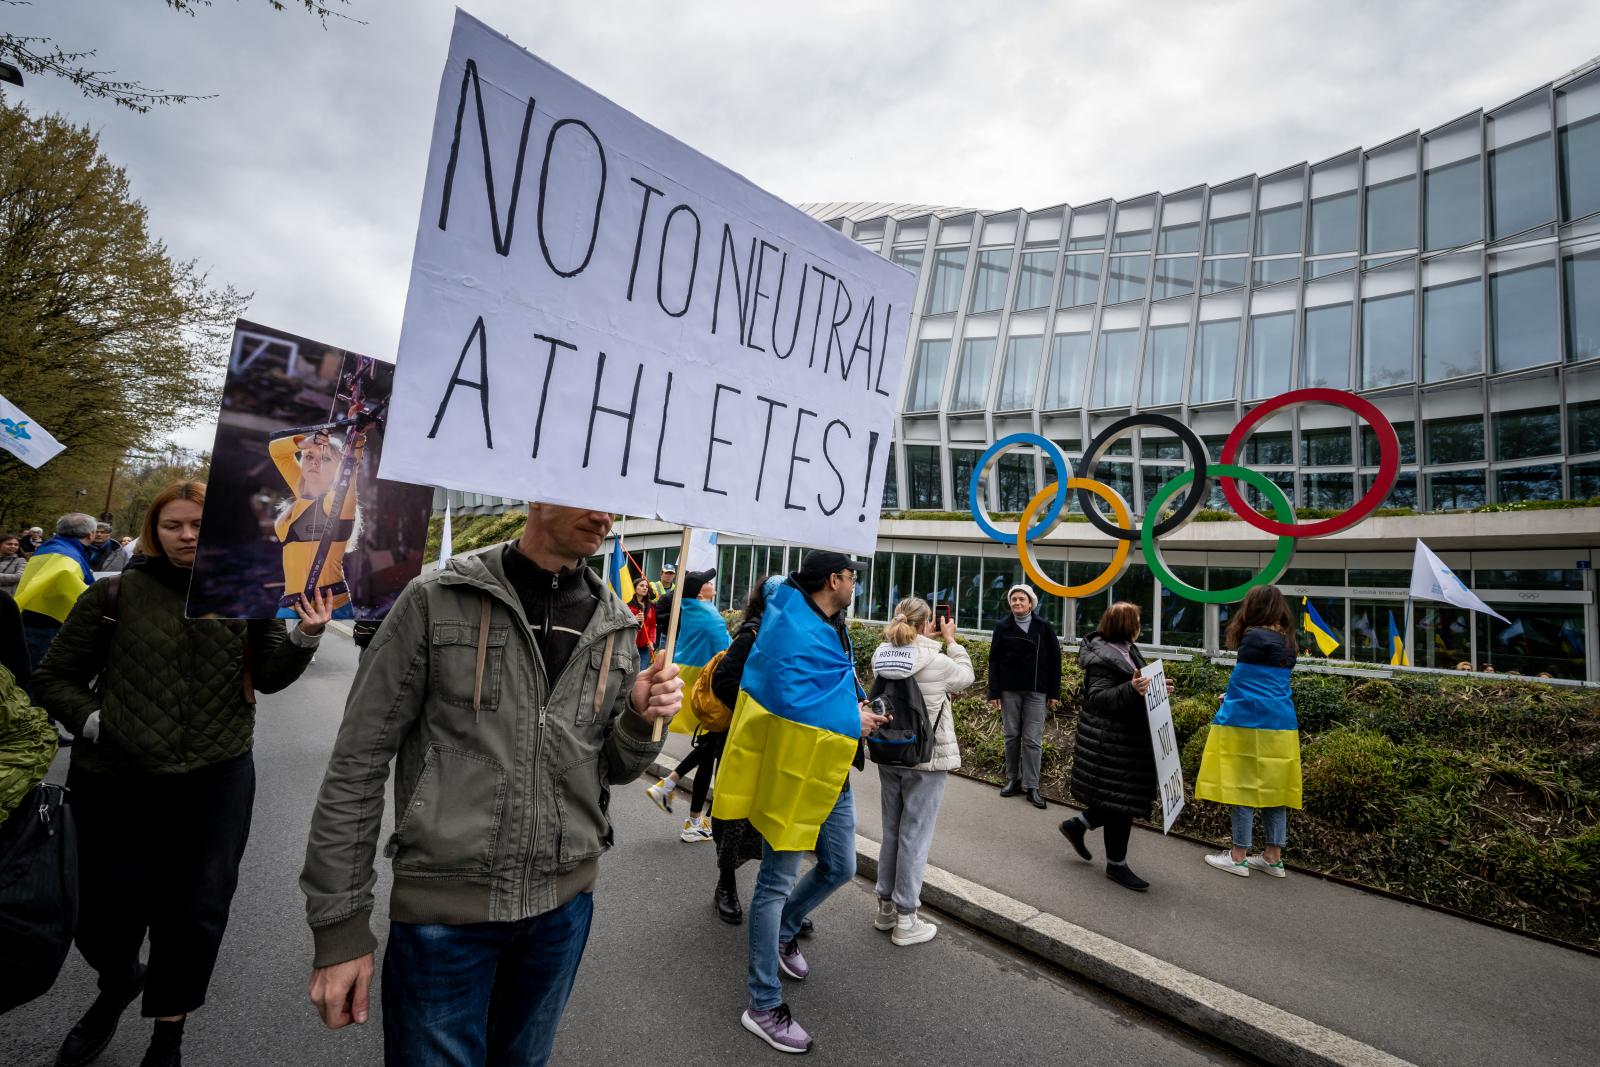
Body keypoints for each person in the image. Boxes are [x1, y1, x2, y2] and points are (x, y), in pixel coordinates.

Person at [299, 502, 682, 1067]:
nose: (604, 514)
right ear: (535, 492)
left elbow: (613, 768)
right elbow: (358, 761)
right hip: (443, 919)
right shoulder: (435, 599)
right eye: (586, 492)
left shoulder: (616, 622)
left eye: (613, 500)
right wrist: (340, 927)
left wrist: (638, 718)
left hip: (562, 913)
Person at [32, 481, 330, 1067]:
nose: (188, 535)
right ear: (155, 530)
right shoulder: (113, 593)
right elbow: (52, 677)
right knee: (99, 914)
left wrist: (306, 635)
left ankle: (168, 1035)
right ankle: (119, 982)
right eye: (174, 525)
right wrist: (96, 723)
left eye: (199, 524)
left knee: (194, 913)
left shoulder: (248, 593)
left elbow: (268, 677)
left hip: (214, 781)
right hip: (115, 780)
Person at [739, 551, 886, 1054]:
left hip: (829, 771)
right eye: (852, 579)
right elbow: (787, 697)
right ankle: (762, 1003)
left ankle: (782, 932)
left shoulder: (827, 619)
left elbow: (829, 684)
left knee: (841, 866)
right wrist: (852, 720)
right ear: (834, 580)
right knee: (775, 881)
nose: (855, 587)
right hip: (792, 774)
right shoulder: (793, 625)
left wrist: (856, 707)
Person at [869, 596, 973, 946]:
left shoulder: (880, 655)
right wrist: (953, 641)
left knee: (892, 832)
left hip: (889, 753)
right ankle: (907, 919)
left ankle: (884, 909)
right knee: (915, 836)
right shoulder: (938, 659)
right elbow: (967, 679)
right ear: (928, 623)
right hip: (925, 758)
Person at [1196, 586, 1301, 879]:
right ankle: (1273, 858)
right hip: (1281, 723)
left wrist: (1228, 701)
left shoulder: (1253, 637)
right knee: (1276, 789)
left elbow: (1241, 681)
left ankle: (1238, 856)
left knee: (1242, 783)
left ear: (1253, 607)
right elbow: (1267, 683)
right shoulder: (1288, 640)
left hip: (1248, 722)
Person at [1060, 601, 1160, 892]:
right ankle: (1116, 865)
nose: (1141, 626)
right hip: (1111, 742)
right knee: (1121, 804)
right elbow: (1098, 697)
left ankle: (1077, 825)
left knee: (1121, 801)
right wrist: (1133, 689)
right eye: (1138, 621)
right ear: (1128, 625)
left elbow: (1133, 683)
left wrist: (1153, 688)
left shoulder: (1124, 649)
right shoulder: (1104, 656)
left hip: (1123, 741)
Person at [705, 575, 782, 924]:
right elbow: (724, 682)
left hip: (776, 745)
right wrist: (760, 705)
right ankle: (726, 886)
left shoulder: (788, 637)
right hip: (742, 742)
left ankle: (778, 899)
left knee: (773, 821)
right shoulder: (751, 635)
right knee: (734, 819)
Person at [643, 569, 728, 842]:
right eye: (707, 581)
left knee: (709, 749)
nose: (712, 584)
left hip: (692, 685)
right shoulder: (710, 616)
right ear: (699, 590)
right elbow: (727, 654)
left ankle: (669, 787)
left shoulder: (690, 609)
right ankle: (692, 820)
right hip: (712, 692)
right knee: (712, 749)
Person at [269, 426, 365, 621]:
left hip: (328, 607)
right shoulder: (302, 492)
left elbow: (350, 466)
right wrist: (305, 443)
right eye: (309, 457)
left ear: (338, 470)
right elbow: (276, 451)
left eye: (326, 459)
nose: (315, 463)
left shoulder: (335, 503)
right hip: (289, 605)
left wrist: (358, 435)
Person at [987, 584, 1061, 809]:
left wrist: (1054, 692)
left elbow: (1055, 659)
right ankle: (1013, 779)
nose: (1017, 603)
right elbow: (994, 660)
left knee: (1032, 739)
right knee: (1011, 735)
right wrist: (994, 691)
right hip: (1010, 689)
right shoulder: (1003, 626)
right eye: (1014, 599)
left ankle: (1032, 785)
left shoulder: (1043, 626)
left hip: (1036, 690)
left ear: (1031, 603)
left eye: (1022, 599)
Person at [13, 513, 97, 688]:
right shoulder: (66, 555)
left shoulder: (51, 547)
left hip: (31, 617)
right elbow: (82, 596)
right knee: (38, 679)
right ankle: (37, 714)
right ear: (91, 534)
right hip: (46, 625)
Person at [629, 580, 658, 671]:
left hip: (645, 646)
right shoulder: (627, 605)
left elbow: (653, 625)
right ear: (634, 588)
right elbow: (621, 623)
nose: (645, 588)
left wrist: (652, 641)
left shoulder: (650, 606)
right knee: (629, 672)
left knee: (641, 673)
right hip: (630, 644)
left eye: (646, 586)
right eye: (641, 585)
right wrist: (634, 619)